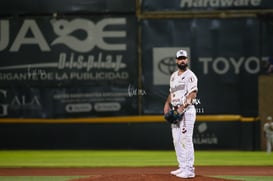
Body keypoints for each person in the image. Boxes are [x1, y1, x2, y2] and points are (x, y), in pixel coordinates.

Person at [163, 49, 198, 178]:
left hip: (186, 111)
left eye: (184, 58)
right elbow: (172, 93)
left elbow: (193, 94)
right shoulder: (173, 76)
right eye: (180, 58)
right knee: (177, 140)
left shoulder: (190, 76)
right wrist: (167, 104)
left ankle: (189, 170)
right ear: (176, 61)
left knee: (186, 139)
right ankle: (182, 166)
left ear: (187, 60)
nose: (182, 60)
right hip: (175, 110)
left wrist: (182, 107)